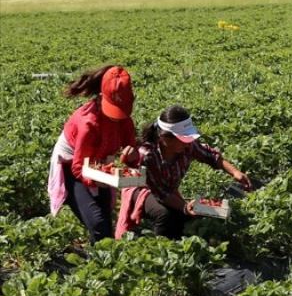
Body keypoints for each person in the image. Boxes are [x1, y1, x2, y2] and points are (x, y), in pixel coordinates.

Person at [115, 106, 252, 240]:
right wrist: (184, 207)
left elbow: (210, 155)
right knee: (164, 214)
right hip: (141, 190)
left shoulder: (187, 146)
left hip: (167, 191)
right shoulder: (148, 155)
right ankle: (159, 249)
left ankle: (178, 244)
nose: (188, 143)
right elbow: (159, 192)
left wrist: (235, 172)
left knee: (185, 216)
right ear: (165, 139)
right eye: (184, 139)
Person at [47, 65, 138, 243]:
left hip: (100, 165)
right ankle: (99, 264)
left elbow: (131, 150)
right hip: (72, 165)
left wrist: (133, 156)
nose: (116, 117)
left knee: (103, 224)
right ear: (102, 97)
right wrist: (97, 179)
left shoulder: (125, 120)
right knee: (98, 224)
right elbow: (79, 167)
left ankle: (98, 262)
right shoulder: (88, 123)